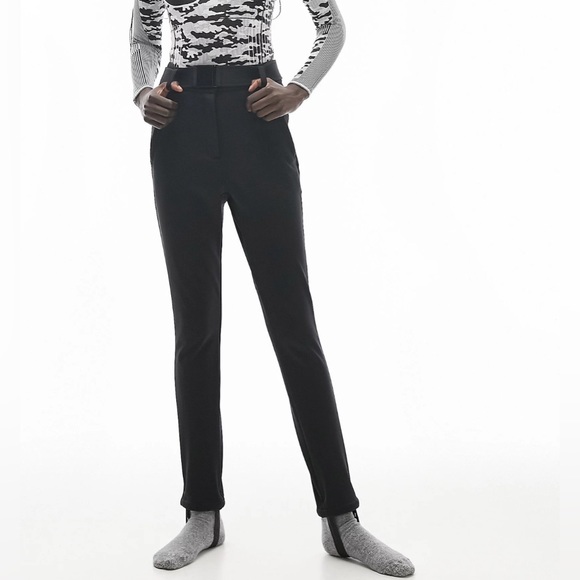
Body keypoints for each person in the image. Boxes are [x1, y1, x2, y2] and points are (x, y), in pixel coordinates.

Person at [129, 0, 415, 576]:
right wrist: (142, 93)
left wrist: (300, 89)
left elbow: (330, 23)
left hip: (257, 120)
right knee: (195, 328)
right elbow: (144, 32)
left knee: (294, 326)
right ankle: (202, 513)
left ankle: (342, 520)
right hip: (179, 128)